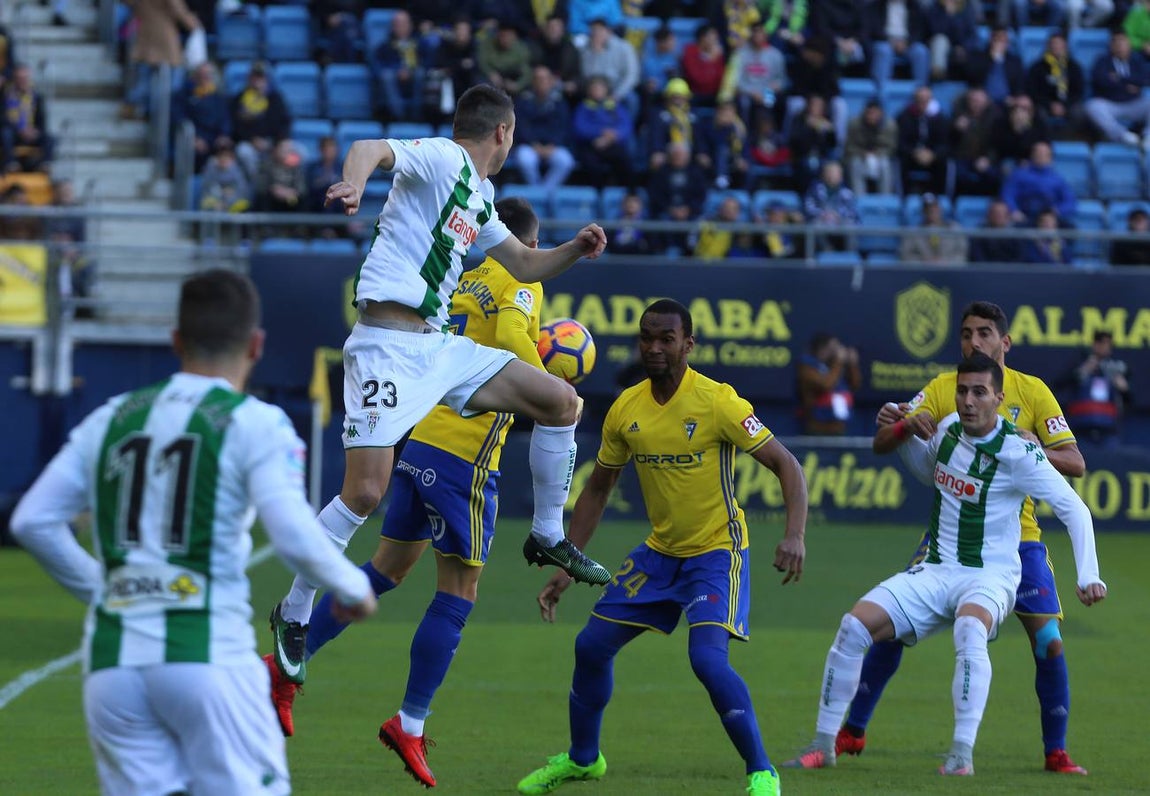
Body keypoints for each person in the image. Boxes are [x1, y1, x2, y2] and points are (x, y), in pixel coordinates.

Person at [267, 84, 613, 709]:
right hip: (384, 343)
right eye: (512, 137)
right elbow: (369, 148)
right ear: (503, 133)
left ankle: (546, 533)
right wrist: (353, 184)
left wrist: (575, 252)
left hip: (437, 350)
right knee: (363, 493)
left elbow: (526, 267)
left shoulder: (479, 200)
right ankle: (292, 611)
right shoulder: (445, 158)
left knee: (562, 402)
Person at [8, 270, 377, 795]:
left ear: (176, 341)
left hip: (113, 667)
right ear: (256, 345)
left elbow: (33, 520)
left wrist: (107, 591)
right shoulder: (256, 422)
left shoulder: (112, 417)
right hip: (207, 656)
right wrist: (353, 587)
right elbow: (292, 532)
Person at [275, 198, 554, 785]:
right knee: (461, 590)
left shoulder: (466, 280)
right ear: (532, 244)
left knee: (385, 570)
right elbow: (508, 334)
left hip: (419, 440)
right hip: (465, 456)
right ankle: (411, 721)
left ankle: (283, 665)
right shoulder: (519, 278)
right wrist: (548, 381)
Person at [515, 299, 808, 796]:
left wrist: (794, 534)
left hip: (717, 552)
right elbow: (598, 490)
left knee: (708, 661)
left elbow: (787, 465)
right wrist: (567, 562)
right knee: (589, 646)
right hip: (659, 554)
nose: (654, 347)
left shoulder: (719, 402)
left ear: (687, 345)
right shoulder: (625, 409)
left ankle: (762, 770)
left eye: (666, 338)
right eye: (646, 337)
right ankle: (584, 760)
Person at [784, 352, 1105, 776]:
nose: (968, 401)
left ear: (998, 397)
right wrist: (900, 430)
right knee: (853, 627)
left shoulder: (1020, 451)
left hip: (990, 577)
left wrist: (1089, 575)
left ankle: (960, 755)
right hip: (936, 569)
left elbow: (1075, 509)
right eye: (962, 391)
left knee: (970, 629)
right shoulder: (949, 430)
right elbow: (925, 469)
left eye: (979, 392)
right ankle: (824, 743)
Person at [1061, 331, 1131, 444]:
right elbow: (1059, 385)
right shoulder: (1079, 365)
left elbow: (1129, 401)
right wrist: (1082, 371)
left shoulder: (1116, 370)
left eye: (1108, 344)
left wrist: (1124, 389)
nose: (1105, 347)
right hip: (1080, 429)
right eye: (1102, 343)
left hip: (1108, 431)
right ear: (1094, 344)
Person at [797, 332, 861, 435]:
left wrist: (853, 364)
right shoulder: (807, 367)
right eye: (833, 348)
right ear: (822, 349)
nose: (836, 352)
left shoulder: (834, 368)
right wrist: (839, 361)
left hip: (839, 428)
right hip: (817, 429)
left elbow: (855, 386)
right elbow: (827, 384)